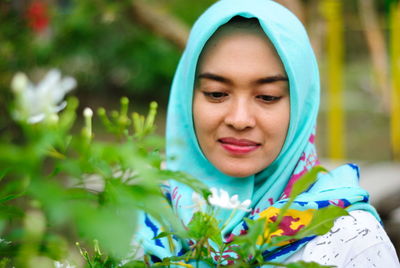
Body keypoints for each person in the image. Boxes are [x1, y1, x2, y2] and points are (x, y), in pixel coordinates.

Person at [135, 0, 400, 266]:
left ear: (301, 108)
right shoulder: (144, 225)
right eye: (216, 93)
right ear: (186, 99)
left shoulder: (349, 240)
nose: (239, 120)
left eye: (267, 96)